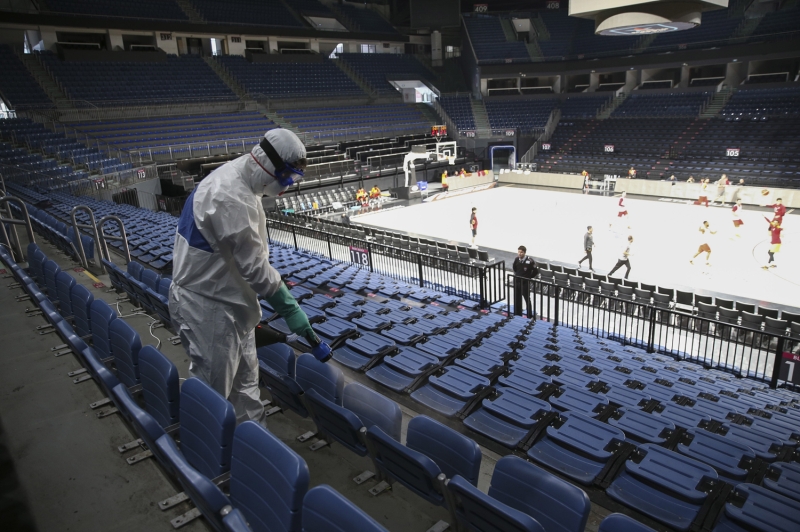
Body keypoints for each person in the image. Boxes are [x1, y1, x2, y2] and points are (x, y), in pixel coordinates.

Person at [169, 129, 331, 425]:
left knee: (246, 388)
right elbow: (255, 269)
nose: (286, 187)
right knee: (212, 396)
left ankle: (254, 442)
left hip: (232, 308)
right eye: (287, 179)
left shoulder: (243, 180)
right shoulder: (230, 196)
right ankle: (207, 460)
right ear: (270, 169)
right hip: (209, 311)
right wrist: (291, 309)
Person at [512, 245, 537, 318]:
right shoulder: (516, 259)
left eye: (521, 252)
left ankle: (529, 315)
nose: (520, 254)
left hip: (525, 283)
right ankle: (517, 313)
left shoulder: (530, 261)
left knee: (527, 299)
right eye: (519, 252)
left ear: (524, 253)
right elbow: (514, 268)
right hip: (517, 281)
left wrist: (529, 277)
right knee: (517, 298)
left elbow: (535, 271)